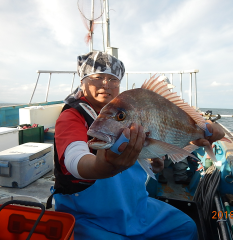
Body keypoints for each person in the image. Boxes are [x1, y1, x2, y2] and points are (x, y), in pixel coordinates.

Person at [48, 51, 223, 240]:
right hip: (89, 217)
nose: (105, 84)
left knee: (186, 227)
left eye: (113, 79)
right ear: (82, 81)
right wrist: (102, 166)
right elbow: (75, 159)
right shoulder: (72, 116)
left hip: (135, 208)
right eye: (98, 77)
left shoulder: (131, 107)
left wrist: (154, 160)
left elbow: (155, 144)